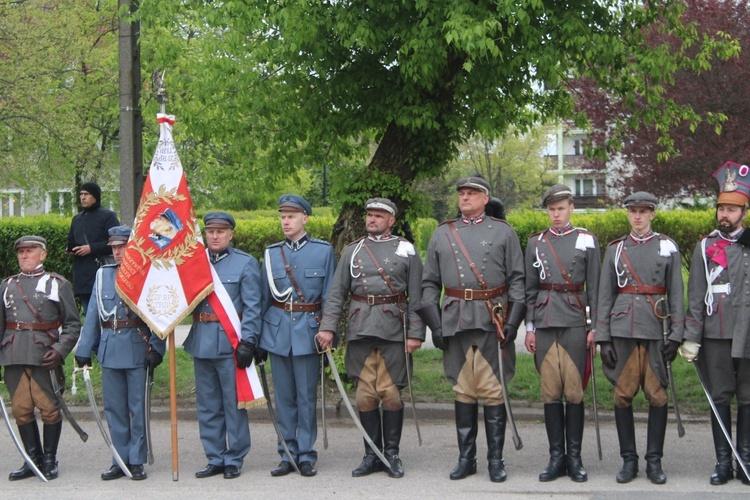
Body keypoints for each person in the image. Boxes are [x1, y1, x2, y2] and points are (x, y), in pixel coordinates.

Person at [421, 175, 526, 482]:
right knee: (463, 389)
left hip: (493, 318)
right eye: (462, 193)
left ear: (485, 198)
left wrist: (513, 321)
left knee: (494, 391)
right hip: (455, 319)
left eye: (472, 193)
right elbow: (429, 283)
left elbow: (518, 280)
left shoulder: (503, 232)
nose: (465, 197)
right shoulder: (442, 234)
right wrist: (434, 324)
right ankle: (467, 458)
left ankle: (496, 460)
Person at [318, 198, 425, 479]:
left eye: (379, 216)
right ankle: (371, 455)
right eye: (370, 215)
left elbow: (418, 295)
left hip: (394, 330)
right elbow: (337, 292)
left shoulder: (406, 250)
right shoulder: (352, 251)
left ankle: (391, 454)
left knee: (390, 394)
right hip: (360, 327)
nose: (372, 220)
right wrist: (328, 327)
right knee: (365, 396)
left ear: (391, 220)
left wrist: (415, 333)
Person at [595, 191, 685, 485]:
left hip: (656, 329)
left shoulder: (667, 247)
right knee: (622, 395)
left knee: (657, 396)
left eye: (643, 211)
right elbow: (605, 295)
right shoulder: (616, 250)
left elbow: (677, 294)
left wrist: (677, 334)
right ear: (627, 214)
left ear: (652, 214)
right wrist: (603, 338)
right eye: (633, 211)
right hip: (622, 329)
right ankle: (629, 461)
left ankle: (654, 462)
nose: (637, 217)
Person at [75, 225, 166, 481]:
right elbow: (93, 314)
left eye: (122, 246)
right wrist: (83, 350)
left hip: (138, 346)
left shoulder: (148, 273)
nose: (117, 252)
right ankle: (119, 459)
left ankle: (136, 460)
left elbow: (160, 314)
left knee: (137, 407)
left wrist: (158, 348)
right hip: (109, 348)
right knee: (114, 408)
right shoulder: (103, 275)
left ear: (133, 246)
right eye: (114, 247)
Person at [253, 195, 335, 478]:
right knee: (283, 397)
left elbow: (329, 297)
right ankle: (287, 453)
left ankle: (306, 454)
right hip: (277, 333)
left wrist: (328, 329)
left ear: (305, 219)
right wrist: (259, 339)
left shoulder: (323, 251)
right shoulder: (271, 253)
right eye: (282, 216)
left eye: (291, 216)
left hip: (309, 332)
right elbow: (263, 299)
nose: (285, 221)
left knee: (306, 397)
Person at [524, 184, 600, 483]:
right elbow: (530, 288)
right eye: (551, 209)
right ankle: (556, 458)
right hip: (544, 320)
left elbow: (595, 286)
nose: (556, 214)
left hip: (574, 320)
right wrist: (529, 327)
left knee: (574, 391)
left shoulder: (586, 240)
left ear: (571, 208)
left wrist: (595, 328)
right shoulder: (536, 243)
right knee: (550, 391)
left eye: (561, 208)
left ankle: (575, 458)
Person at [681, 161, 750, 485]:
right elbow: (695, 295)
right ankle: (723, 463)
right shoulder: (705, 247)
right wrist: (691, 337)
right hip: (716, 331)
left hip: (747, 332)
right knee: (719, 397)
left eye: (732, 209)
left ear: (744, 212)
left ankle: (745, 460)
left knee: (748, 397)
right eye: (721, 208)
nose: (725, 214)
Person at [182, 212, 261, 480]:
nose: (214, 236)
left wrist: (249, 341)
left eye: (220, 232)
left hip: (231, 343)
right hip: (201, 340)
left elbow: (252, 307)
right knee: (207, 405)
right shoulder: (195, 262)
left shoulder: (245, 264)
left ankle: (234, 457)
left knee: (233, 404)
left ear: (230, 235)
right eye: (210, 231)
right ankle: (214, 457)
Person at [0, 235, 81, 480]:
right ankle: (32, 460)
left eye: (30, 251)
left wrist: (59, 351)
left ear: (42, 255)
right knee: (21, 409)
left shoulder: (57, 284)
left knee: (49, 409)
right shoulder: (7, 285)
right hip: (13, 354)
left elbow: (72, 325)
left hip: (43, 355)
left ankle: (49, 460)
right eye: (21, 251)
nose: (24, 255)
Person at [66, 181, 120, 313]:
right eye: (81, 194)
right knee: (90, 315)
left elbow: (117, 242)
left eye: (86, 194)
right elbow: (70, 240)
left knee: (105, 315)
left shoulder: (108, 216)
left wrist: (91, 248)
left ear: (95, 196)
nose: (83, 197)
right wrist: (71, 249)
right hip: (82, 274)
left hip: (102, 271)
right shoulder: (77, 219)